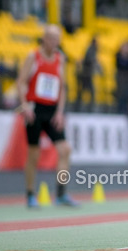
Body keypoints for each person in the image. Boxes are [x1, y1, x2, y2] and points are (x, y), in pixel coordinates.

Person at [17, 24, 76, 208]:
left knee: (65, 149)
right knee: (34, 154)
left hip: (52, 111)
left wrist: (59, 112)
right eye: (51, 38)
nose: (55, 42)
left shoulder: (60, 59)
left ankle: (61, 194)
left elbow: (62, 88)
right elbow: (20, 82)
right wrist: (25, 106)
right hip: (35, 110)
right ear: (44, 39)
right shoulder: (32, 57)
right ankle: (30, 194)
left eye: (57, 39)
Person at [77, 37, 98, 110]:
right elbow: (89, 60)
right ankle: (84, 107)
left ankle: (82, 107)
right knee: (87, 91)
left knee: (85, 91)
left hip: (87, 73)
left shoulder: (91, 49)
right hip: (86, 74)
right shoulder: (90, 50)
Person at [115, 42, 128, 114]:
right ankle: (120, 111)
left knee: (127, 95)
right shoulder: (118, 55)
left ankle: (125, 111)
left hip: (127, 79)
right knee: (121, 95)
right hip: (121, 78)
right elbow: (121, 65)